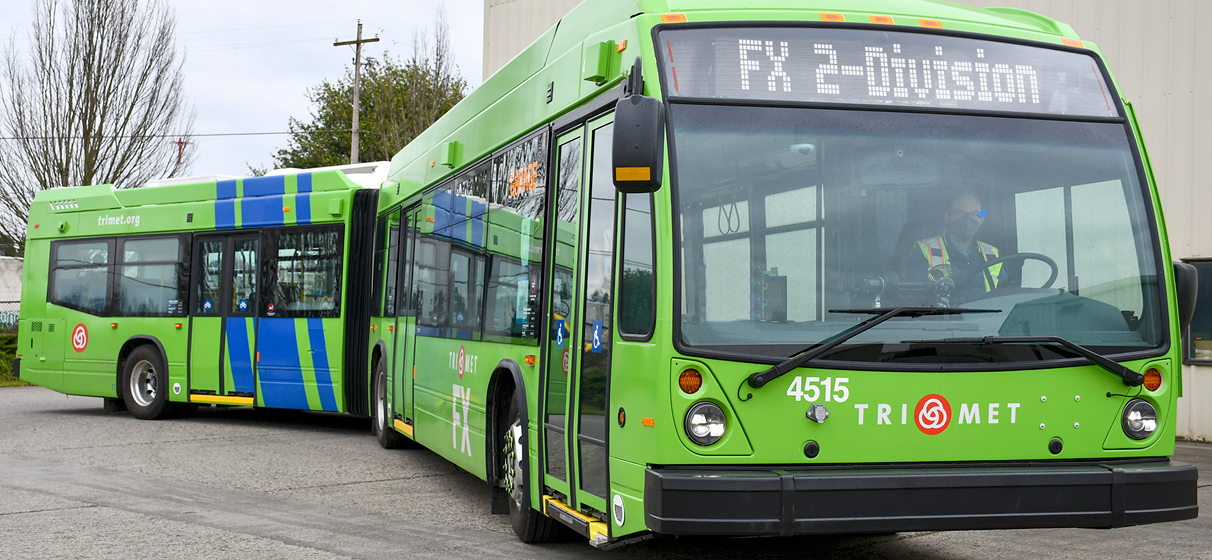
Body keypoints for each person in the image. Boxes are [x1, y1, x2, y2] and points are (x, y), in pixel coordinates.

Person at [905, 191, 1003, 303]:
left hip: (987, 319)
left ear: (981, 219)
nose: (967, 220)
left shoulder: (992, 254)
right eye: (959, 213)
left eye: (974, 214)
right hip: (941, 319)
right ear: (947, 216)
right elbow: (915, 299)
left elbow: (1004, 295)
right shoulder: (924, 250)